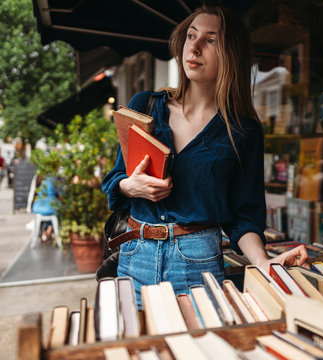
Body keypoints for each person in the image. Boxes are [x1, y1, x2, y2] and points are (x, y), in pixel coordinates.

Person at [102, 5, 308, 305]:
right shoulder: (145, 104)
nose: (195, 47)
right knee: (136, 349)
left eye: (210, 40)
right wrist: (129, 186)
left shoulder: (243, 130)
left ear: (230, 55)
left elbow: (244, 218)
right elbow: (116, 178)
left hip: (197, 262)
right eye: (191, 36)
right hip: (136, 256)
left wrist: (263, 262)